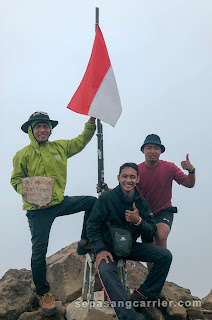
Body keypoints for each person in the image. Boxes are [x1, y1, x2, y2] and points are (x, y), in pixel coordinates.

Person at [10, 111, 97, 316]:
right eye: (38, 126)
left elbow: (81, 141)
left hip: (58, 202)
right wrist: (31, 196)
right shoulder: (22, 155)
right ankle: (44, 293)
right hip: (37, 211)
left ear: (50, 129)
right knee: (39, 252)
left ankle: (85, 241)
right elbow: (16, 181)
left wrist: (91, 122)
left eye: (46, 126)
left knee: (92, 203)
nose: (43, 130)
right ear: (31, 130)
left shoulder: (60, 147)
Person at [87, 163, 172, 320]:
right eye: (125, 176)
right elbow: (92, 226)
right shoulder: (107, 198)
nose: (128, 180)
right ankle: (129, 316)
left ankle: (142, 295)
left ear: (138, 179)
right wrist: (99, 250)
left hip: (129, 246)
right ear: (118, 178)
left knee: (165, 255)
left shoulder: (142, 203)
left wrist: (138, 220)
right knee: (106, 271)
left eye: (132, 177)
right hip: (108, 248)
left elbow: (152, 231)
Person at [137, 134, 195, 253]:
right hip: (145, 213)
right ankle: (152, 272)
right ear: (143, 150)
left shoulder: (170, 167)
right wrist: (107, 189)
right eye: (149, 147)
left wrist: (191, 171)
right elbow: (124, 189)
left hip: (164, 210)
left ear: (161, 151)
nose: (153, 151)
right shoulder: (137, 170)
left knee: (160, 234)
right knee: (149, 245)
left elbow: (188, 183)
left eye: (156, 148)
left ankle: (163, 261)